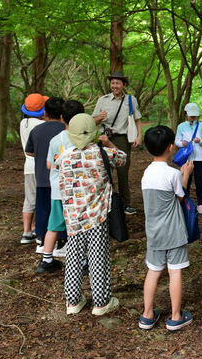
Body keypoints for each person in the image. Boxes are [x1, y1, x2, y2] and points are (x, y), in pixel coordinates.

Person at [58, 114, 126, 316]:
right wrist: (107, 142)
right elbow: (122, 157)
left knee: (73, 257)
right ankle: (101, 302)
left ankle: (72, 301)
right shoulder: (103, 154)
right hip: (97, 216)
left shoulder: (65, 157)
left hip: (72, 216)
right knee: (98, 257)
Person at [139, 126, 195, 332]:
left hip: (153, 231)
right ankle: (175, 316)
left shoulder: (146, 174)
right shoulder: (172, 174)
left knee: (153, 271)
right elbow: (180, 196)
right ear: (171, 147)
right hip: (174, 231)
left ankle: (147, 315)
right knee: (175, 272)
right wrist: (185, 174)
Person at [92, 71, 142, 215]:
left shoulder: (131, 100)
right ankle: (104, 204)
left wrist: (139, 136)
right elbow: (92, 120)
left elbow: (137, 119)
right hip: (104, 137)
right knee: (104, 170)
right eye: (112, 83)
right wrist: (99, 118)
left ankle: (126, 204)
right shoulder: (103, 100)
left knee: (123, 171)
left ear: (124, 85)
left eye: (117, 83)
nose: (114, 86)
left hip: (122, 139)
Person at [25, 97, 65, 273]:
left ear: (45, 113)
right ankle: (62, 241)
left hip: (42, 176)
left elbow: (29, 151)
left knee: (43, 210)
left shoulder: (37, 130)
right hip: (61, 178)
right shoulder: (66, 130)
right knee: (61, 211)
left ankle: (42, 241)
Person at [45, 100, 85, 269]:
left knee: (53, 225)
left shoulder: (56, 140)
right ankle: (82, 261)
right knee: (79, 226)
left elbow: (49, 165)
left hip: (58, 190)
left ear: (62, 118)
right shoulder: (84, 138)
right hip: (78, 191)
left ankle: (46, 259)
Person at [19, 94, 47, 244]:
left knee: (29, 198)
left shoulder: (23, 122)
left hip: (28, 165)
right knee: (42, 197)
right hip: (41, 164)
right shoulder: (41, 125)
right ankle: (38, 229)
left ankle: (26, 231)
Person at [175, 103, 202, 213]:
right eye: (191, 115)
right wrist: (182, 143)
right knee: (186, 180)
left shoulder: (201, 126)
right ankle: (186, 202)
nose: (193, 117)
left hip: (199, 158)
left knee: (199, 181)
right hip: (187, 158)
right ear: (186, 114)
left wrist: (200, 141)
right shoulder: (181, 126)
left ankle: (200, 204)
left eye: (195, 115)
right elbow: (177, 141)